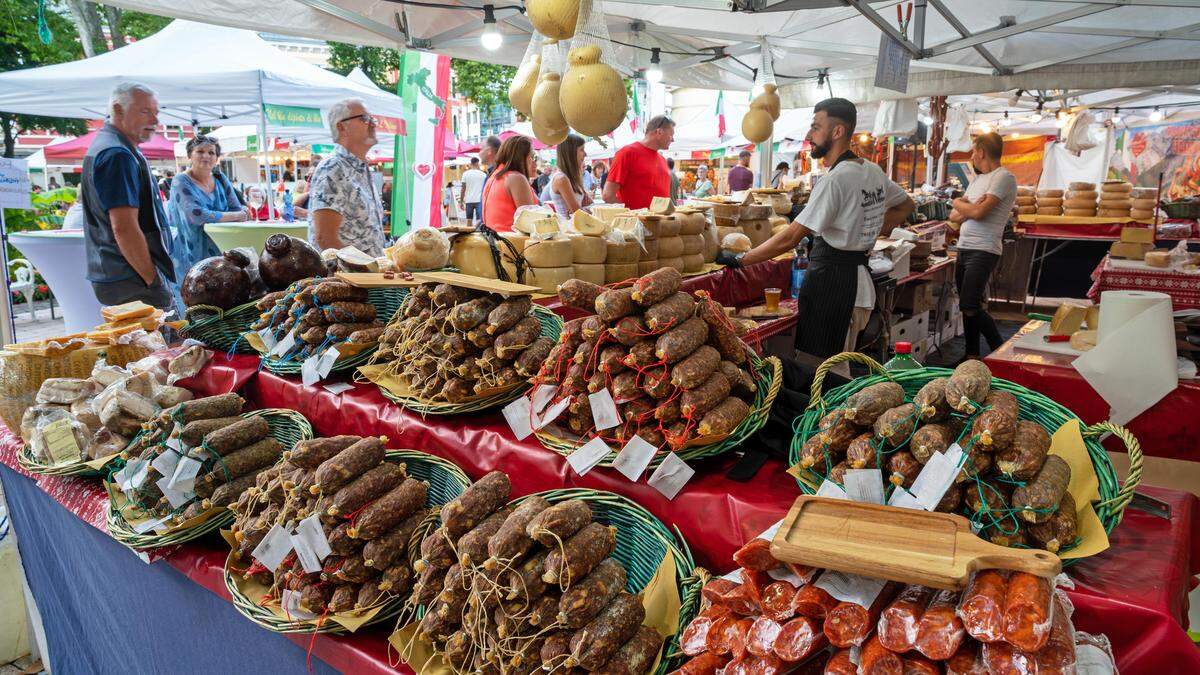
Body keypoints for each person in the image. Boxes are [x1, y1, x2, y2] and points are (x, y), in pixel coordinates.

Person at [717, 97, 914, 361]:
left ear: (838, 131)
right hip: (859, 285)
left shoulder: (835, 180)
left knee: (825, 372)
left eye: (815, 127)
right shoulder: (872, 171)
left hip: (836, 288)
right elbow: (906, 206)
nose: (809, 134)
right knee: (838, 367)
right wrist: (871, 227)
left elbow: (790, 237)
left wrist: (741, 260)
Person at [80, 83, 176, 311]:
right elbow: (124, 228)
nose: (155, 120)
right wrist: (152, 279)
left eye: (156, 112)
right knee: (162, 345)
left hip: (122, 274)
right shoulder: (117, 154)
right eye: (145, 111)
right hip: (129, 277)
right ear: (118, 110)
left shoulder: (115, 147)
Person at [948, 132, 1016, 360]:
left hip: (984, 248)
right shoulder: (978, 180)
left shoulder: (1003, 177)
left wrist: (958, 201)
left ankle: (999, 350)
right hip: (965, 247)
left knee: (970, 303)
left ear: (982, 152)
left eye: (973, 151)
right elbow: (955, 217)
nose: (972, 156)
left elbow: (975, 211)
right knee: (968, 304)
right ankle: (971, 355)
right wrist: (966, 209)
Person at [167, 135, 251, 285]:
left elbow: (236, 206)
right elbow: (197, 215)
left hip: (221, 249)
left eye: (211, 152)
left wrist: (237, 213)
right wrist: (238, 215)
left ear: (217, 158)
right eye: (200, 151)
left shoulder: (220, 178)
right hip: (190, 252)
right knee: (194, 295)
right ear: (189, 156)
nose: (206, 156)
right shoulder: (180, 180)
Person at [308, 98, 387, 256]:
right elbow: (325, 238)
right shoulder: (333, 168)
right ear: (341, 127)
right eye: (364, 119)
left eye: (372, 119)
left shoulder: (360, 169)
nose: (373, 124)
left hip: (368, 277)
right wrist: (364, 271)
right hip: (348, 278)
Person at [603, 115, 674, 209]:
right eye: (671, 135)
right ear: (659, 132)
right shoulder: (627, 153)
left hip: (662, 221)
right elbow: (608, 195)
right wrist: (632, 214)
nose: (672, 139)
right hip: (638, 222)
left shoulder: (662, 159)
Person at [481, 135, 539, 232]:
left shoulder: (495, 176)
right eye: (532, 156)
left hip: (496, 242)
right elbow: (531, 225)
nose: (534, 162)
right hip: (513, 243)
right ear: (521, 157)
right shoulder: (516, 178)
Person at [548, 134, 592, 217]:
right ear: (571, 152)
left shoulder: (570, 177)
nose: (585, 154)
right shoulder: (561, 179)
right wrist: (587, 208)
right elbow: (578, 214)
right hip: (568, 228)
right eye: (582, 149)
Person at [460, 157, 487, 225]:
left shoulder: (465, 174)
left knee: (469, 220)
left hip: (469, 200)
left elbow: (463, 188)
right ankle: (479, 234)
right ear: (478, 163)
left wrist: (461, 201)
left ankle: (468, 235)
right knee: (479, 221)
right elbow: (486, 189)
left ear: (471, 164)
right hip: (479, 200)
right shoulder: (483, 174)